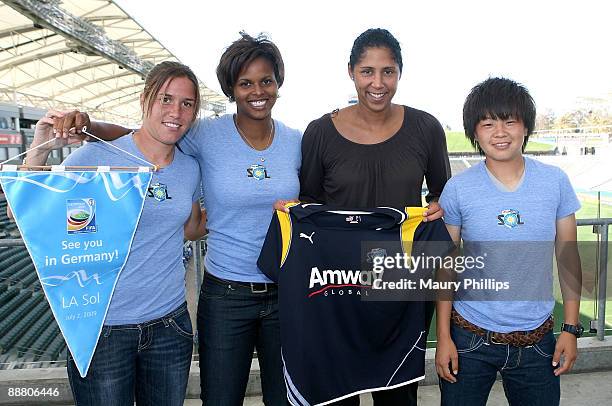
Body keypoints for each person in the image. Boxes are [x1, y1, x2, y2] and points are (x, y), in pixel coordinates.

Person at [53, 32, 301, 405]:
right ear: (231, 89)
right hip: (226, 294)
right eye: (245, 82)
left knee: (285, 399)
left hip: (284, 290)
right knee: (219, 398)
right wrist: (89, 127)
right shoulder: (204, 133)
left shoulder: (296, 141)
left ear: (278, 83)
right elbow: (146, 135)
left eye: (266, 80)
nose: (257, 91)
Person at [23, 61, 206, 405]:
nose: (176, 112)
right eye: (165, 99)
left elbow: (192, 227)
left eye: (187, 103)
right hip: (103, 330)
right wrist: (40, 149)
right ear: (144, 100)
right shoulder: (97, 156)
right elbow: (27, 213)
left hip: (169, 325)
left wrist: (249, 211)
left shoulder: (189, 168)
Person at [289, 28, 451, 406]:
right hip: (336, 283)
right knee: (337, 395)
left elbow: (443, 194)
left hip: (399, 280)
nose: (378, 83)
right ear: (350, 72)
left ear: (399, 73)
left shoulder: (426, 128)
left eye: (388, 71)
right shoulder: (319, 132)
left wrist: (439, 206)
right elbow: (309, 205)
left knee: (396, 395)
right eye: (367, 71)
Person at [435, 77, 582, 406]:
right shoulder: (458, 189)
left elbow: (569, 257)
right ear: (474, 132)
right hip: (469, 339)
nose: (499, 133)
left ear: (526, 128)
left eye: (509, 121)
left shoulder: (555, 182)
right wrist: (444, 337)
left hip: (537, 341)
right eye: (487, 123)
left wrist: (570, 329)